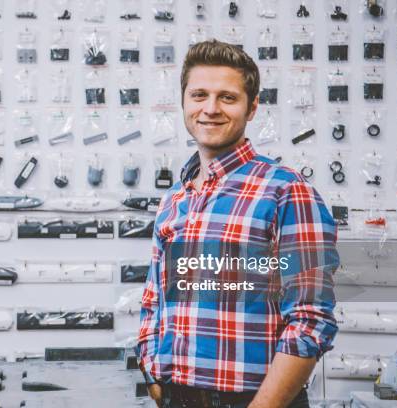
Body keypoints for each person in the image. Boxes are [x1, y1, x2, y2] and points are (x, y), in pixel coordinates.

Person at [138, 40, 339, 408]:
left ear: (252, 107)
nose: (210, 109)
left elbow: (310, 320)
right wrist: (153, 375)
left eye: (227, 97)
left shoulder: (286, 192)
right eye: (199, 94)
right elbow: (153, 302)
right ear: (184, 100)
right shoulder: (174, 200)